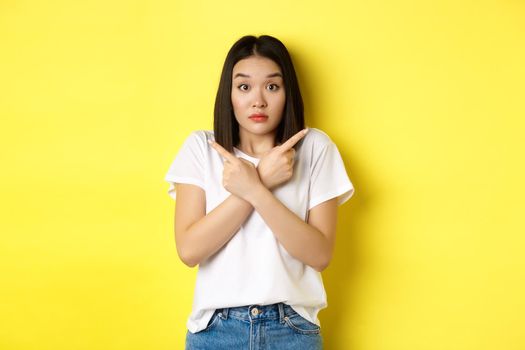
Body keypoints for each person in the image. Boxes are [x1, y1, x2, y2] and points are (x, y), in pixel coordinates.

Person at [164, 34, 355, 349]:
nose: (258, 101)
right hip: (215, 331)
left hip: (292, 330)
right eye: (244, 86)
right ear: (229, 94)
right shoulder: (202, 148)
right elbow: (190, 249)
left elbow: (319, 254)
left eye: (272, 86)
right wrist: (260, 180)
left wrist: (256, 188)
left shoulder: (316, 148)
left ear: (287, 92)